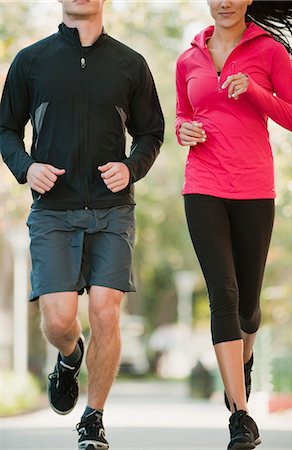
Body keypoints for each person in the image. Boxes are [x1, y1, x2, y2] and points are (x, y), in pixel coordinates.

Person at [0, 0, 164, 448]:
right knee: (58, 320)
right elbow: (5, 129)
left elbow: (152, 131)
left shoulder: (130, 63)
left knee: (105, 311)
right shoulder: (32, 60)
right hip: (53, 211)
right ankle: (70, 356)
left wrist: (131, 167)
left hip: (113, 210)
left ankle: (93, 418)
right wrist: (26, 167)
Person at [175, 1, 292, 449]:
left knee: (248, 307)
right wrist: (183, 130)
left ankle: (240, 367)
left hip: (253, 189)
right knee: (223, 296)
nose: (224, 1)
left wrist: (254, 92)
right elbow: (183, 114)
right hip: (203, 186)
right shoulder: (188, 57)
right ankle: (241, 416)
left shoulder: (268, 51)